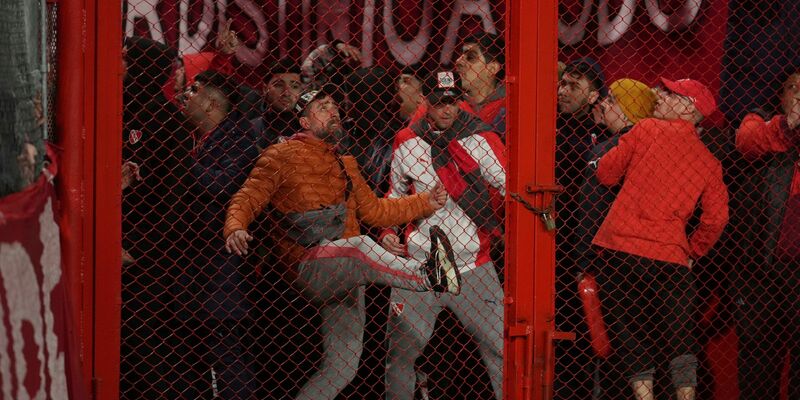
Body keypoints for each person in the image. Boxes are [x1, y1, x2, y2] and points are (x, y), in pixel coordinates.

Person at [223, 86, 462, 400]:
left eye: (334, 106)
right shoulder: (281, 154)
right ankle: (428, 275)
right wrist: (235, 227)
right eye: (323, 107)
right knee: (360, 246)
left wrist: (426, 202)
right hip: (311, 263)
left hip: (347, 269)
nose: (333, 111)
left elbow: (375, 212)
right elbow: (248, 196)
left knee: (342, 366)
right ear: (305, 123)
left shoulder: (344, 161)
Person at [591, 78, 729, 400]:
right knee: (680, 337)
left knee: (630, 333)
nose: (659, 96)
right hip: (671, 257)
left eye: (670, 94)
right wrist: (693, 250)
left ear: (688, 107)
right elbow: (717, 218)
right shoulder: (709, 162)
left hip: (621, 248)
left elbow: (606, 174)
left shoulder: (647, 129)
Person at [381, 71, 506, 400]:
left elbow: (511, 186)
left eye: (452, 102)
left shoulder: (482, 138)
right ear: (426, 102)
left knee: (501, 348)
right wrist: (387, 231)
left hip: (472, 262)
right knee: (400, 356)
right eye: (439, 103)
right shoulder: (406, 141)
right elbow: (395, 194)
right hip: (420, 264)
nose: (447, 110)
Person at [175, 70, 262, 398]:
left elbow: (219, 185)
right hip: (194, 269)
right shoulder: (196, 139)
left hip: (222, 269)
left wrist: (181, 161)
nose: (186, 95)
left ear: (211, 102)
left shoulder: (239, 141)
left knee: (227, 350)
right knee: (192, 354)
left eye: (194, 90)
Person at [576, 79, 656, 398]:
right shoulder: (658, 145)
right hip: (654, 262)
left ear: (625, 108)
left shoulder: (608, 150)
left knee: (613, 354)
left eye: (610, 101)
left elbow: (590, 211)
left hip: (609, 262)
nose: (604, 106)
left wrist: (582, 261)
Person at [733, 69, 800, 400]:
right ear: (781, 96)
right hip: (761, 270)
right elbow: (747, 144)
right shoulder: (760, 120)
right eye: (794, 89)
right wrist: (788, 126)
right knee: (758, 363)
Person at [554, 57, 607, 399]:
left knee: (593, 334)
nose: (563, 90)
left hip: (590, 247)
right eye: (562, 83)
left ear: (592, 96)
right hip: (555, 244)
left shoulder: (605, 136)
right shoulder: (549, 127)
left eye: (573, 84)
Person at [454, 32, 507, 136]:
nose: (458, 61)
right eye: (461, 55)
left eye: (471, 57)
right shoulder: (445, 104)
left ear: (491, 69)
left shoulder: (509, 108)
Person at [249, 58, 303, 149]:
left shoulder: (308, 129)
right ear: (265, 89)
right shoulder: (250, 129)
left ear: (301, 92)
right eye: (279, 85)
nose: (286, 93)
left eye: (294, 86)